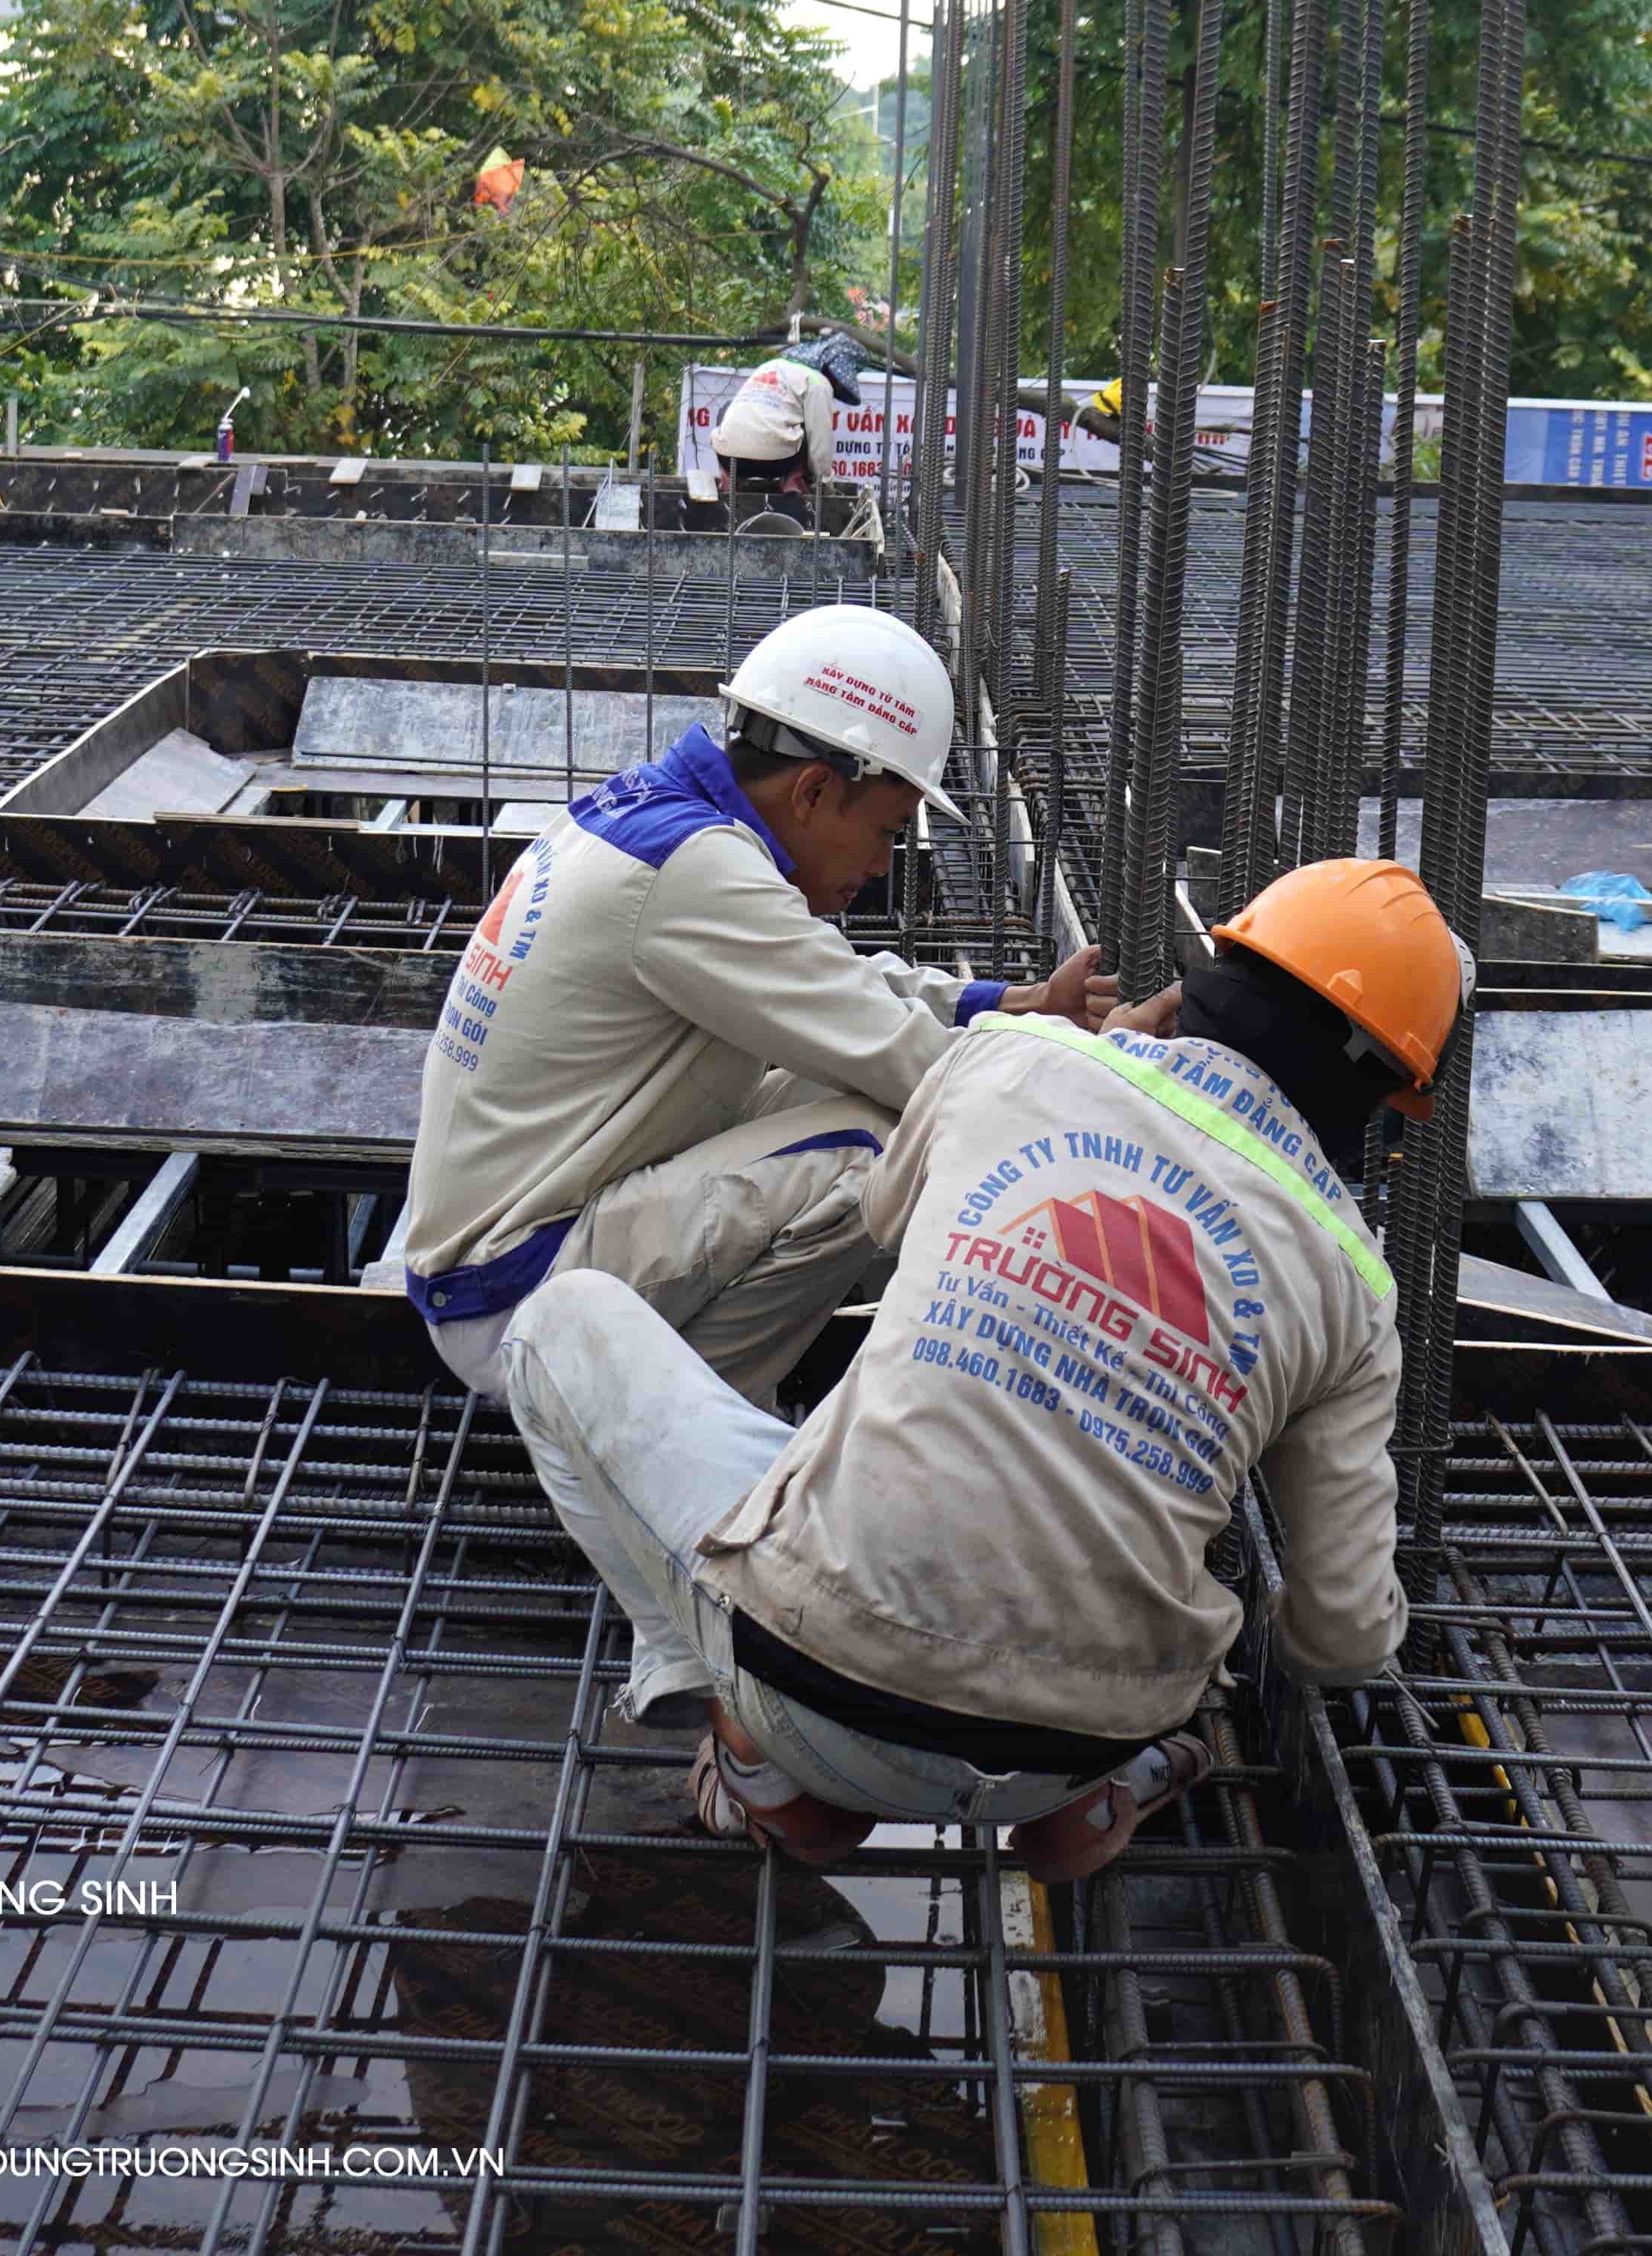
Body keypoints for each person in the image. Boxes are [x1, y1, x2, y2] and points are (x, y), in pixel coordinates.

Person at [496, 857, 1458, 1878]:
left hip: (816, 1683)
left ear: (1205, 982)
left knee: (560, 1319)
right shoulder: (1358, 1286)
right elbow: (1346, 1638)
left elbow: (883, 1216)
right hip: (1088, 1735)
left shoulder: (1017, 1056)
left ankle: (750, 1747)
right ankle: (1091, 1799)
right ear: (1384, 1098)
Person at [403, 603, 1121, 1467]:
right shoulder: (694, 872)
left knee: (851, 1095)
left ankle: (682, 1410)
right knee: (876, 1145)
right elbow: (913, 1066)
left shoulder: (661, 824)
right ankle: (689, 1459)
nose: (883, 864)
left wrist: (1013, 1005)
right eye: (886, 831)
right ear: (813, 790)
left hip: (511, 1248)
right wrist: (1102, 1079)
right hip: (517, 1296)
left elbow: (833, 982)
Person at [711, 334, 869, 532]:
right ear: (831, 368)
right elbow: (820, 441)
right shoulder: (817, 381)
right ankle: (793, 484)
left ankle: (727, 480)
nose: (837, 386)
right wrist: (825, 488)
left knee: (729, 412)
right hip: (778, 462)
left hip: (730, 459)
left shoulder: (770, 366)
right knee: (807, 427)